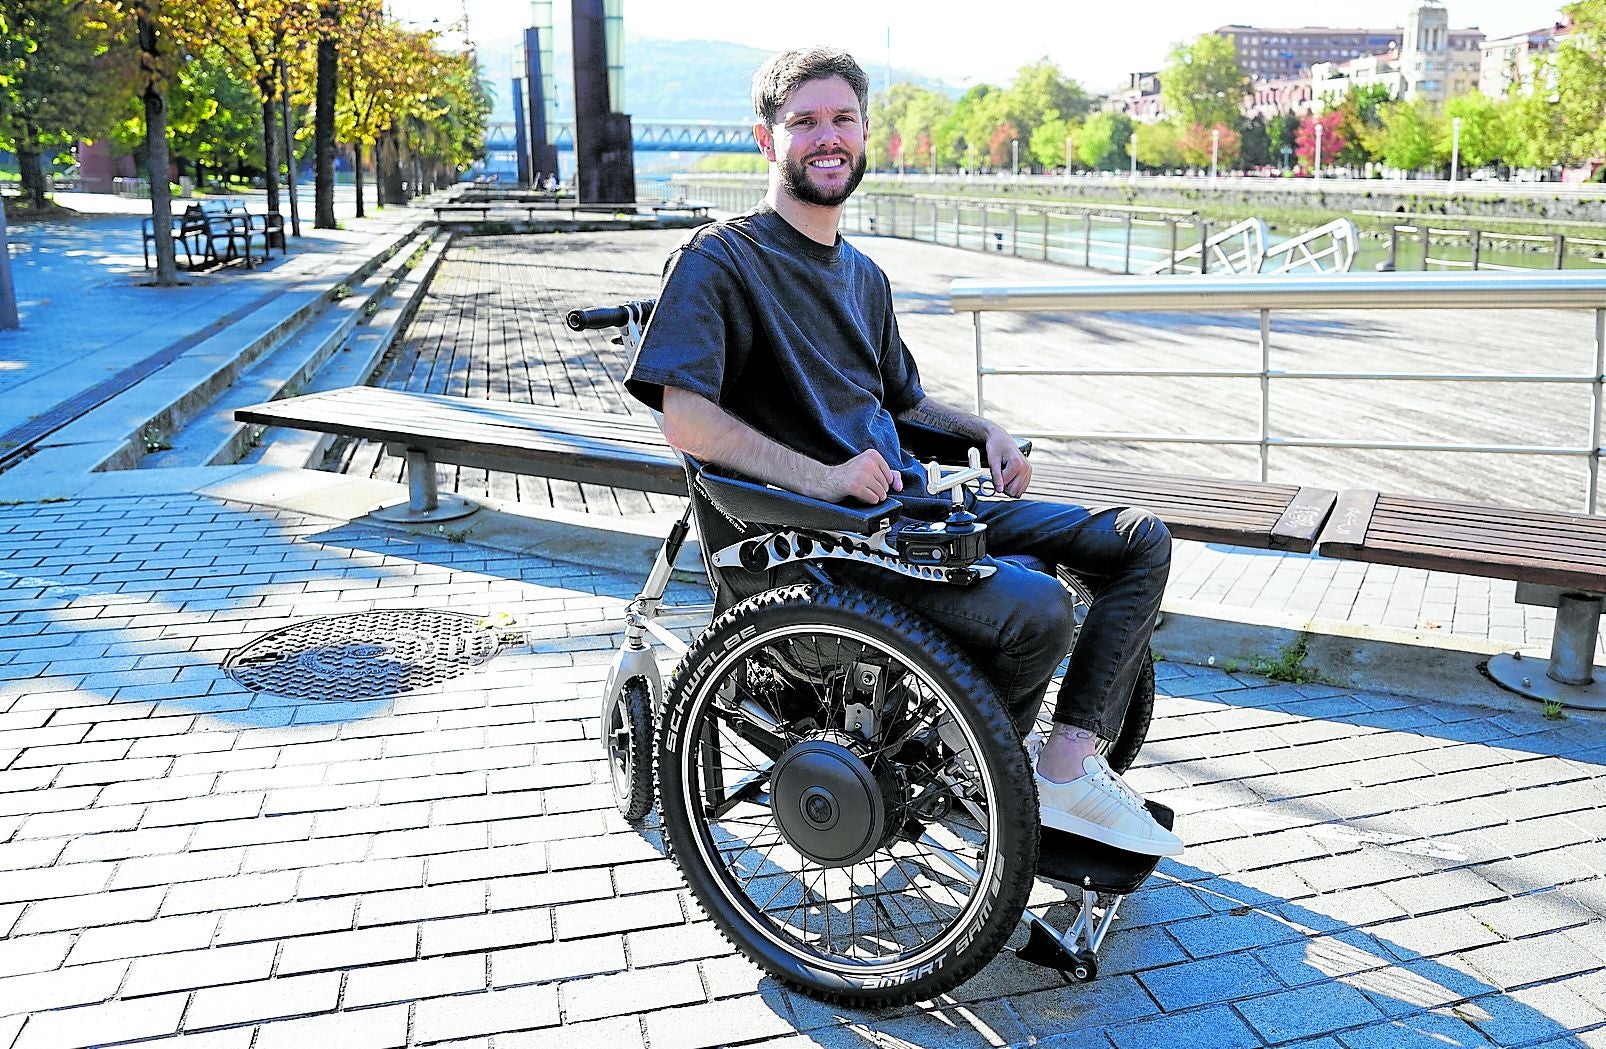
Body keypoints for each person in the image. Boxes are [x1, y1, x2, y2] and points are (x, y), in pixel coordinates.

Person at [623, 47, 1180, 857]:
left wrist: (981, 431)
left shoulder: (865, 276)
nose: (827, 137)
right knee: (1037, 606)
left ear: (864, 132)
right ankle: (979, 774)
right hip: (814, 542)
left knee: (1137, 542)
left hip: (909, 517)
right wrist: (829, 475)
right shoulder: (719, 260)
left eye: (842, 119)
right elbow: (687, 420)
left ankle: (1060, 766)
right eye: (804, 121)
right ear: (764, 137)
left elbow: (904, 404)